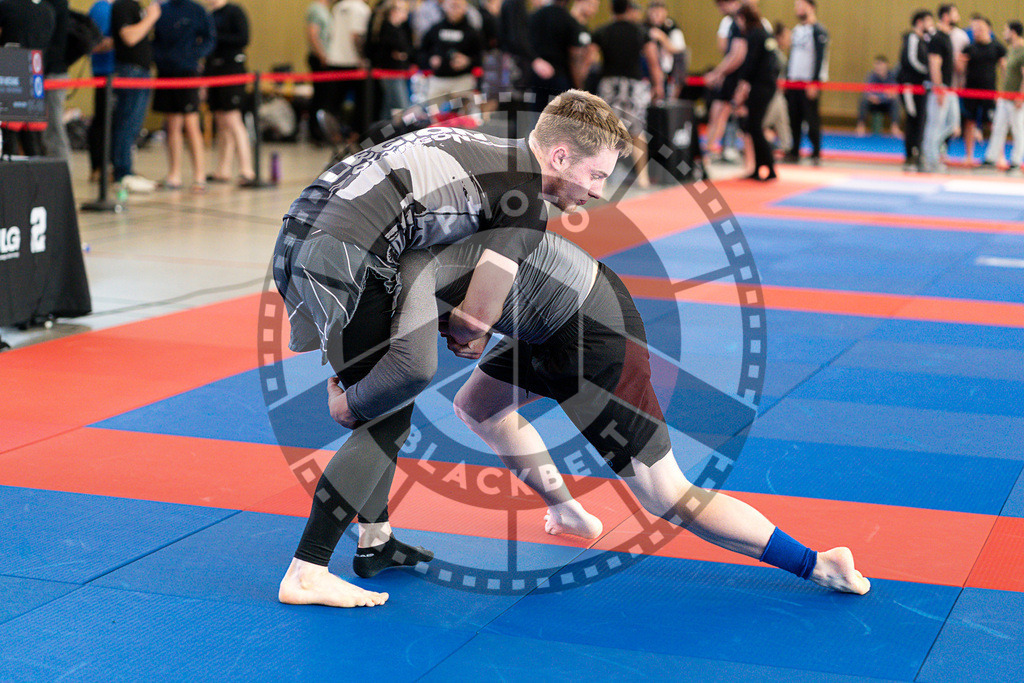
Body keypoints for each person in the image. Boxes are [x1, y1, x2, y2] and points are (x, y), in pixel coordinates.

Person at [327, 215, 872, 600]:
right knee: (478, 407)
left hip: (592, 335)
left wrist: (354, 396)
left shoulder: (419, 257)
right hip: (552, 319)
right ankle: (568, 511)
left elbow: (441, 343)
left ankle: (820, 564)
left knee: (665, 493)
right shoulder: (427, 241)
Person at [273, 90, 632, 608]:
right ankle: (306, 570)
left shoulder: (491, 150)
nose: (598, 191)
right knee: (386, 410)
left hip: (310, 232)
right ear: (560, 157)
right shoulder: (525, 199)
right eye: (596, 175)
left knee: (391, 398)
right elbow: (471, 323)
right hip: (344, 252)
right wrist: (471, 332)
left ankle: (374, 542)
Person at [592, 0, 663, 188]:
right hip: (634, 85)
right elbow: (653, 61)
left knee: (606, 131)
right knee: (637, 132)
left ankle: (602, 179)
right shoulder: (641, 31)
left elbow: (589, 59)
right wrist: (658, 86)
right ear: (630, 9)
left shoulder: (602, 31)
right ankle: (643, 178)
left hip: (609, 83)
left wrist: (582, 82)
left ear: (611, 9)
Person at [151, 0, 215, 192]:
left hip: (187, 73)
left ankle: (199, 176)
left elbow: (209, 39)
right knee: (172, 124)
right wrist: (160, 57)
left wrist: (192, 56)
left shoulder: (196, 10)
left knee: (191, 123)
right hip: (166, 73)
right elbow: (154, 40)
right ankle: (174, 174)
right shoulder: (162, 10)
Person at [109, 0, 161, 193]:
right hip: (131, 72)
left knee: (132, 124)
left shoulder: (134, 6)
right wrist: (151, 18)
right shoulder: (123, 5)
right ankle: (123, 173)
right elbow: (129, 37)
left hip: (140, 71)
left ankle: (126, 169)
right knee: (127, 122)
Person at [205, 0, 256, 186]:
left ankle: (247, 169)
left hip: (232, 70)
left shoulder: (234, 11)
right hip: (214, 71)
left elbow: (243, 38)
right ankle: (223, 169)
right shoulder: (209, 15)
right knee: (220, 121)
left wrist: (215, 36)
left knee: (233, 119)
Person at [0, 0, 55, 156]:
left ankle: (10, 176)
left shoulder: (8, 6)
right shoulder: (48, 10)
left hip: (11, 79)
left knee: (9, 136)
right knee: (33, 139)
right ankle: (35, 178)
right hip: (35, 78)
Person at [732, 2, 778, 181]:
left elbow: (751, 63)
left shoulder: (754, 35)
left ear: (742, 19)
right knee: (754, 126)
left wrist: (742, 83)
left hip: (762, 85)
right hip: (765, 84)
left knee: (755, 127)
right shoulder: (763, 33)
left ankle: (769, 166)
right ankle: (760, 167)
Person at [784, 0, 828, 165]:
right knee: (793, 118)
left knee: (811, 119)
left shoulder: (818, 30)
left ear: (811, 7)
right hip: (794, 81)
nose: (798, 9)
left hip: (808, 82)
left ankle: (816, 152)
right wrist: (788, 79)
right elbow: (792, 57)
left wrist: (815, 82)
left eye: (801, 5)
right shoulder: (796, 30)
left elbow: (820, 58)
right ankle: (794, 150)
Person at [960, 16, 1006, 165]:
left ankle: (999, 155)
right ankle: (969, 156)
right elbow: (961, 70)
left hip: (989, 91)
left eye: (980, 29)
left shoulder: (997, 47)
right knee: (969, 122)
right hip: (970, 91)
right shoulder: (969, 48)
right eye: (974, 29)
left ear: (988, 29)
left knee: (993, 123)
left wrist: (1003, 91)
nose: (976, 32)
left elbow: (1004, 68)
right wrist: (959, 62)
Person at [528, 0, 592, 105]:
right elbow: (574, 54)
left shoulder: (534, 16)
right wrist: (578, 84)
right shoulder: (569, 20)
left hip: (536, 76)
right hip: (560, 78)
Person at [419, 0, 483, 101]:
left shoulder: (472, 32)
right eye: (452, 5)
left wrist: (467, 61)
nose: (455, 9)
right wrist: (430, 59)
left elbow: (481, 57)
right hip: (438, 79)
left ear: (465, 7)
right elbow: (421, 51)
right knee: (431, 111)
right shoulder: (435, 29)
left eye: (458, 6)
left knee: (461, 114)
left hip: (462, 79)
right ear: (444, 6)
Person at [703, 0, 743, 162]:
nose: (721, 9)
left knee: (738, 115)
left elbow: (736, 53)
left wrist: (718, 72)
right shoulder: (731, 22)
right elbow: (728, 51)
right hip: (732, 73)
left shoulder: (740, 21)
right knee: (719, 112)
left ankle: (718, 149)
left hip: (739, 75)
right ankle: (709, 149)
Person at [921, 4, 960, 172]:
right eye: (954, 12)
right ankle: (931, 158)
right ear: (945, 16)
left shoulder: (947, 36)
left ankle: (932, 148)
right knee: (935, 124)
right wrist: (938, 88)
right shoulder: (937, 38)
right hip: (940, 87)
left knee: (953, 123)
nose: (957, 15)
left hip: (949, 87)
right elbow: (934, 63)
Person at [983, 21, 1024, 172]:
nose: (1003, 33)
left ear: (1013, 32)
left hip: (1016, 98)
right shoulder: (1012, 49)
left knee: (1018, 130)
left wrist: (1020, 96)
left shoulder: (1022, 50)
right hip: (1005, 96)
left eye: (1006, 30)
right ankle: (991, 158)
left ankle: (1015, 161)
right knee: (998, 128)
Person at [327, 0, 372, 137]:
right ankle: (355, 134)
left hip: (335, 59)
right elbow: (356, 36)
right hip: (353, 63)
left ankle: (333, 134)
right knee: (360, 102)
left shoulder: (339, 6)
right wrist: (362, 58)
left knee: (334, 102)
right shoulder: (361, 8)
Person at [365, 0, 413, 120]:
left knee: (389, 105)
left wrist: (403, 55)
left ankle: (383, 134)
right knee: (402, 106)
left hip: (397, 72)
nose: (406, 14)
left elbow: (406, 50)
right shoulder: (386, 29)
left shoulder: (399, 29)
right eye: (403, 10)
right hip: (389, 72)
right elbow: (395, 49)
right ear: (394, 12)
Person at [898, 9, 932, 171]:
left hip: (920, 86)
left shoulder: (923, 40)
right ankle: (910, 154)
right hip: (910, 86)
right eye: (928, 21)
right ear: (920, 22)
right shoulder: (912, 38)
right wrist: (928, 72)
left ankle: (917, 151)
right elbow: (911, 60)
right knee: (912, 118)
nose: (930, 25)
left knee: (920, 119)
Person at [88, 0, 116, 181]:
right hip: (105, 72)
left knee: (110, 121)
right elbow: (96, 42)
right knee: (103, 120)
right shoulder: (101, 8)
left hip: (114, 72)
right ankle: (99, 167)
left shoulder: (112, 7)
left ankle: (107, 166)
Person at [40, 0, 71, 161]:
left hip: (53, 73)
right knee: (48, 128)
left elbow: (52, 43)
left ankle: (63, 170)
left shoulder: (54, 4)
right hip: (51, 71)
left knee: (54, 127)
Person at [762, 21, 792, 154]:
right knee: (765, 121)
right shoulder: (772, 51)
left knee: (782, 118)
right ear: (778, 37)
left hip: (778, 92)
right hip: (771, 91)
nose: (789, 40)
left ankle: (787, 145)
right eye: (786, 37)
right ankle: (756, 139)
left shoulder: (779, 53)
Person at [644, 0, 686, 98]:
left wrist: (662, 38)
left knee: (681, 58)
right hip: (647, 69)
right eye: (653, 12)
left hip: (668, 69)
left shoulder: (671, 27)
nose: (655, 15)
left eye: (658, 12)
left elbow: (679, 49)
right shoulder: (644, 27)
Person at [305, 0, 332, 143]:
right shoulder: (316, 9)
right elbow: (312, 34)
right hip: (319, 58)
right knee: (320, 96)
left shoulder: (325, 9)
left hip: (324, 57)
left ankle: (319, 130)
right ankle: (316, 131)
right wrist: (322, 55)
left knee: (323, 96)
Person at [855, 56, 901, 137]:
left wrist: (880, 97)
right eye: (876, 64)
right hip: (874, 103)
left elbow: (894, 93)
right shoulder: (871, 76)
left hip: (887, 104)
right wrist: (882, 95)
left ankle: (895, 127)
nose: (878, 67)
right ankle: (861, 126)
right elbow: (867, 92)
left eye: (880, 64)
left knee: (895, 102)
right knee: (863, 100)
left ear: (886, 65)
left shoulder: (892, 76)